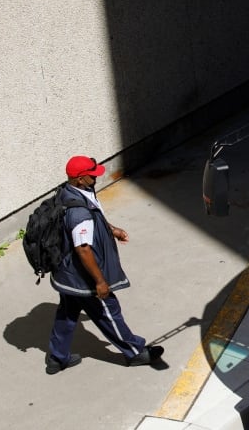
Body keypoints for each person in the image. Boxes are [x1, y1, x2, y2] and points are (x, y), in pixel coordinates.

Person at [44, 155, 163, 374]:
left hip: (66, 274)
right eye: (93, 174)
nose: (97, 176)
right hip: (82, 278)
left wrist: (113, 230)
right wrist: (99, 281)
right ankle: (135, 353)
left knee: (68, 313)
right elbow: (83, 248)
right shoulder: (79, 213)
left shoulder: (70, 193)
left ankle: (56, 358)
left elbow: (95, 217)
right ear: (80, 179)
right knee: (108, 310)